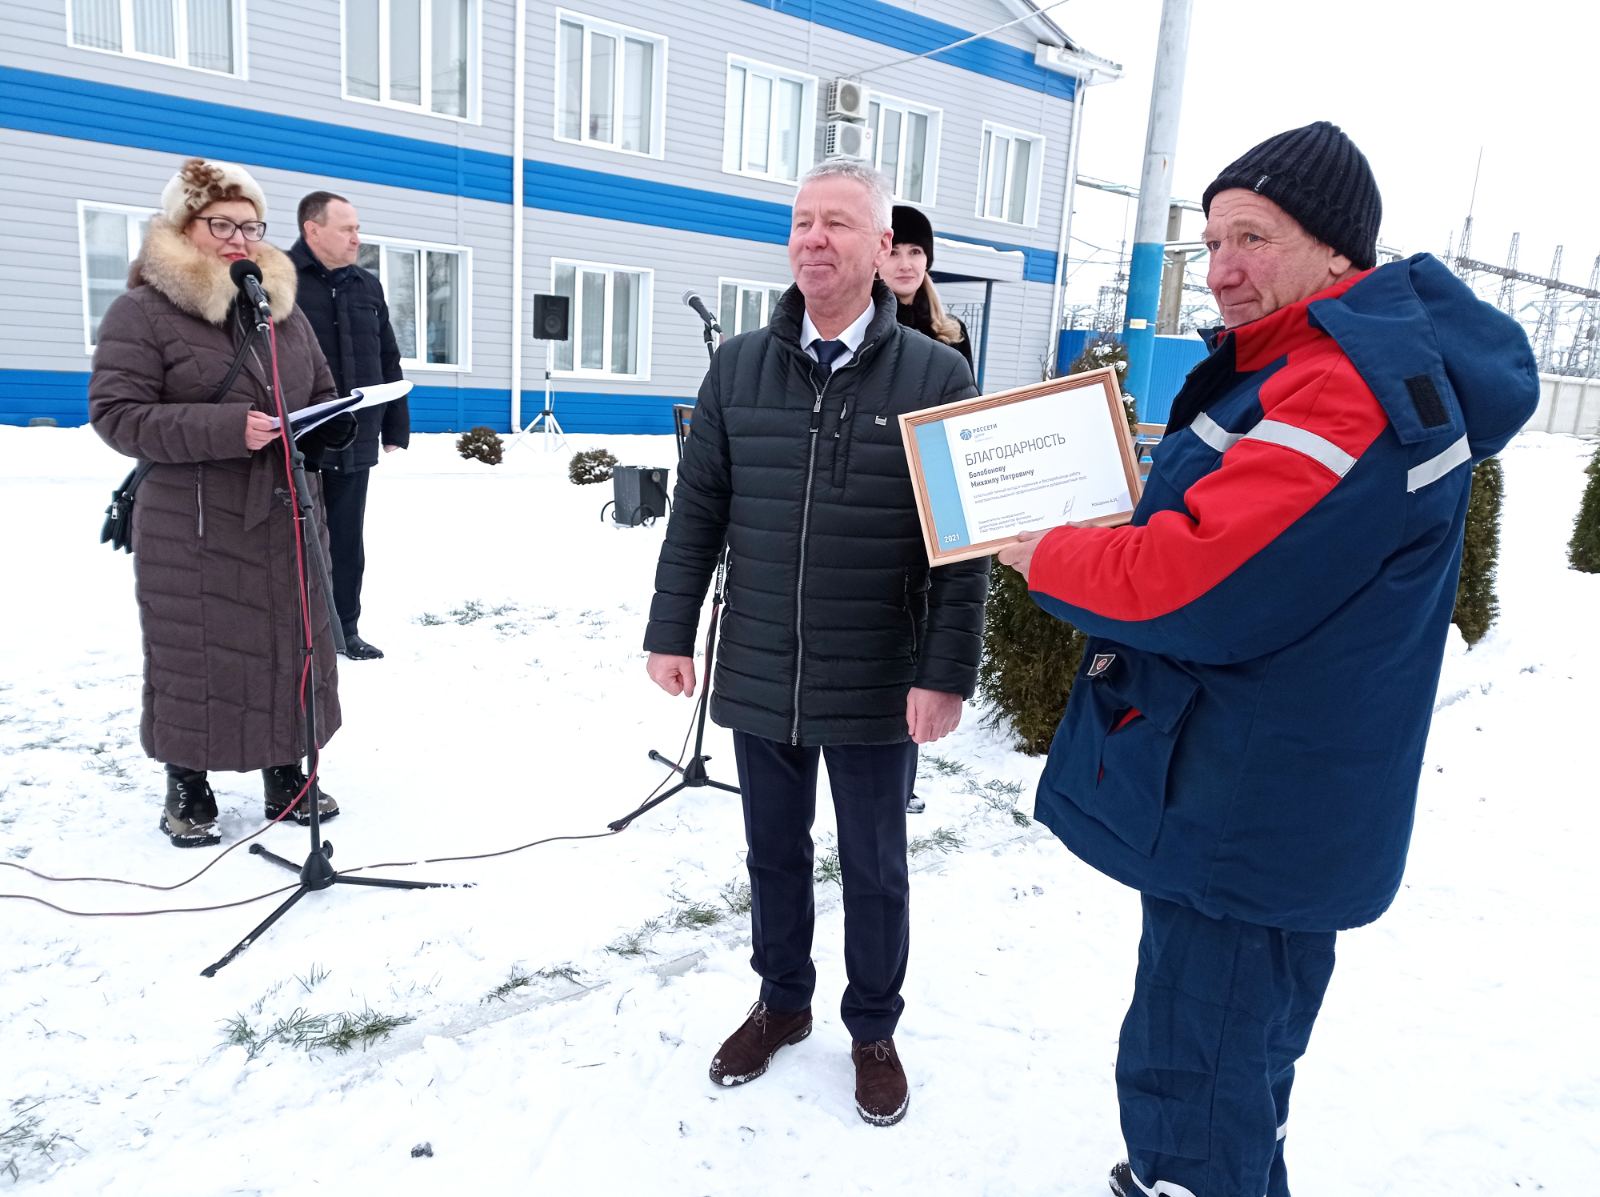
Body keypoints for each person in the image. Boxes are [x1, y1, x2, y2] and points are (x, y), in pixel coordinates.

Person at [996, 122, 1538, 1197]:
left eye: (1255, 235)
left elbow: (1198, 585)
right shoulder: (1320, 367)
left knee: (1199, 1071)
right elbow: (1260, 534)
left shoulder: (1339, 387)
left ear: (1339, 252)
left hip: (1249, 808)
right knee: (1229, 1059)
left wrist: (1046, 551)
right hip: (1269, 794)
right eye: (1212, 242)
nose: (1226, 268)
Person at [644, 160, 989, 1127]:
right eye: (802, 221)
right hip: (763, 659)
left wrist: (946, 673)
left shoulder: (937, 374)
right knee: (772, 851)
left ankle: (872, 1026)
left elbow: (960, 546)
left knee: (875, 862)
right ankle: (783, 1002)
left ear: (883, 249)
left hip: (881, 673)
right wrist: (672, 629)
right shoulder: (740, 366)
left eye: (838, 222)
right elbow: (699, 506)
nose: (814, 238)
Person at [90, 158, 351, 847]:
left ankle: (285, 771)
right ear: (185, 225)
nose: (240, 238)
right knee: (199, 654)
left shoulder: (279, 309)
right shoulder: (143, 311)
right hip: (194, 523)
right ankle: (188, 782)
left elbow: (319, 389)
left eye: (251, 225)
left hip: (286, 514)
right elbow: (117, 414)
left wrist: (335, 424)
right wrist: (224, 429)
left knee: (289, 643)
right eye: (223, 224)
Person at [882, 203, 976, 815]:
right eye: (897, 251)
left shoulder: (949, 333)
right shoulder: (857, 322)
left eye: (917, 253)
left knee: (917, 636)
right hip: (875, 492)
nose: (908, 262)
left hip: (929, 498)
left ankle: (901, 775)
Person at [289, 191, 408, 661]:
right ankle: (294, 629)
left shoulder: (366, 286)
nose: (357, 238)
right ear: (312, 230)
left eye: (357, 228)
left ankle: (344, 629)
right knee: (293, 540)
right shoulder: (280, 280)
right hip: (300, 440)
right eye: (347, 229)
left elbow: (387, 354)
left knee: (346, 540)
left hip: (357, 435)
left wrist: (395, 425)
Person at [884, 203, 973, 371]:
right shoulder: (860, 328)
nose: (905, 265)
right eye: (893, 253)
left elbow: (970, 395)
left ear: (927, 260)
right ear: (877, 259)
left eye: (915, 252)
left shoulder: (952, 333)